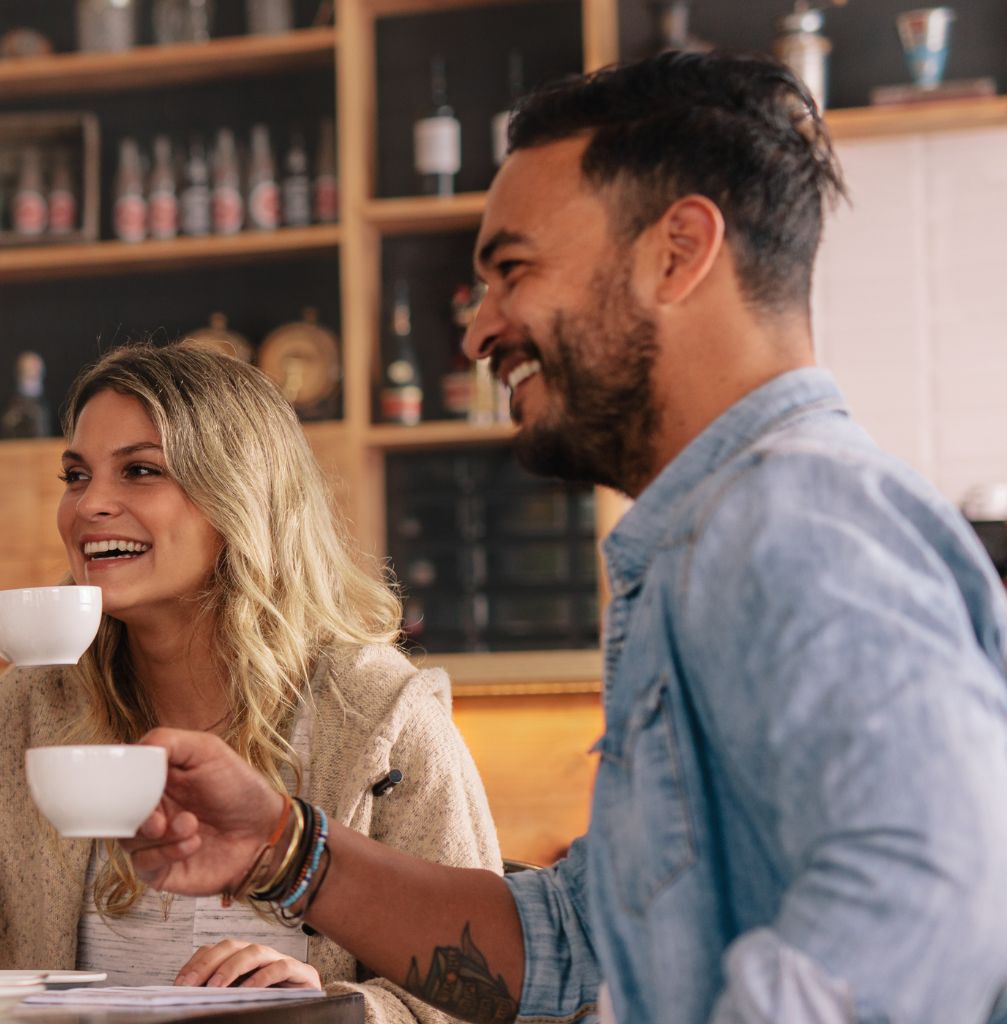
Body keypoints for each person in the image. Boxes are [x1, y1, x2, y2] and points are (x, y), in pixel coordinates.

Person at [125, 52, 1007, 1024]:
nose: (478, 331)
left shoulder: (789, 522)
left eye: (511, 270)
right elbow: (572, 946)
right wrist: (281, 847)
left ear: (676, 252)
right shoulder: (705, 540)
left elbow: (935, 885)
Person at [0, 342, 503, 1023]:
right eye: (75, 475)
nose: (87, 505)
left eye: (138, 471)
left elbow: (487, 991)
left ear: (239, 498)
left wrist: (333, 1010)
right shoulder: (44, 702)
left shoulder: (379, 716)